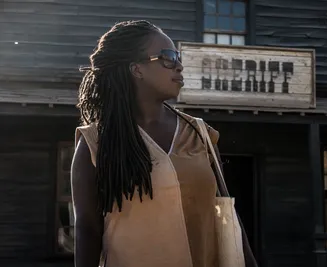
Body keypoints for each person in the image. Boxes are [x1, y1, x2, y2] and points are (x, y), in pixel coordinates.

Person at [71, 20, 257, 267]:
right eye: (168, 57)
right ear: (136, 69)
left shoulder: (200, 133)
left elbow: (226, 213)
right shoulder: (94, 144)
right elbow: (88, 231)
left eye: (178, 57)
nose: (179, 66)